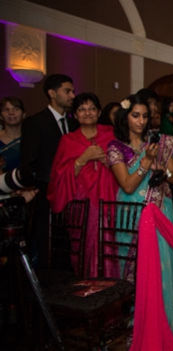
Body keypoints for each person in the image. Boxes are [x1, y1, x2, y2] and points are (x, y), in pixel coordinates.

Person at [106, 94, 173, 338]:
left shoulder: (159, 143)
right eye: (135, 115)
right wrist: (146, 161)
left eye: (144, 116)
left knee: (162, 266)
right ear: (125, 117)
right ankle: (136, 324)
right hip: (132, 212)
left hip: (160, 210)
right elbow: (128, 186)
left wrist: (163, 171)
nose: (141, 121)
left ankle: (162, 322)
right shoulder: (115, 147)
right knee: (134, 268)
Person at [47, 92, 119, 277]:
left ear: (99, 112)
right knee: (84, 246)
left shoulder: (112, 135)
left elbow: (125, 165)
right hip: (81, 203)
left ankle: (111, 289)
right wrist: (82, 159)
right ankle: (88, 287)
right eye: (82, 109)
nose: (87, 113)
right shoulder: (68, 141)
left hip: (109, 198)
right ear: (75, 115)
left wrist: (108, 162)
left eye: (92, 108)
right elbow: (58, 177)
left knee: (111, 243)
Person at [20, 74, 78, 268]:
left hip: (71, 193)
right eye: (67, 91)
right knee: (46, 245)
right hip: (46, 195)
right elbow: (30, 161)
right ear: (52, 93)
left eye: (72, 91)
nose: (72, 95)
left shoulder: (73, 123)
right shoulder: (35, 122)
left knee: (66, 245)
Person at [0, 97, 26, 173]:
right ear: (0, 116)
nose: (11, 113)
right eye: (6, 110)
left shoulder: (31, 138)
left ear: (24, 114)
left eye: (16, 109)